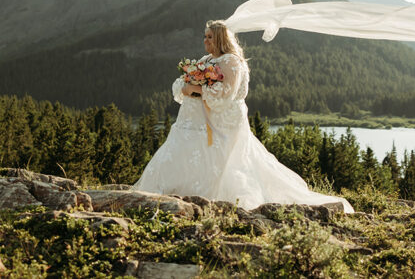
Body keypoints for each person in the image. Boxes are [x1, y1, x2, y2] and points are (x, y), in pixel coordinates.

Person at [133, 20, 354, 212]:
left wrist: (197, 88)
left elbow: (226, 93)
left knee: (227, 160)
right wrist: (188, 85)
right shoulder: (206, 60)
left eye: (210, 37)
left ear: (220, 39)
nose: (205, 41)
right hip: (196, 122)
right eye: (205, 36)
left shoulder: (232, 61)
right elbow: (182, 82)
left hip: (223, 122)